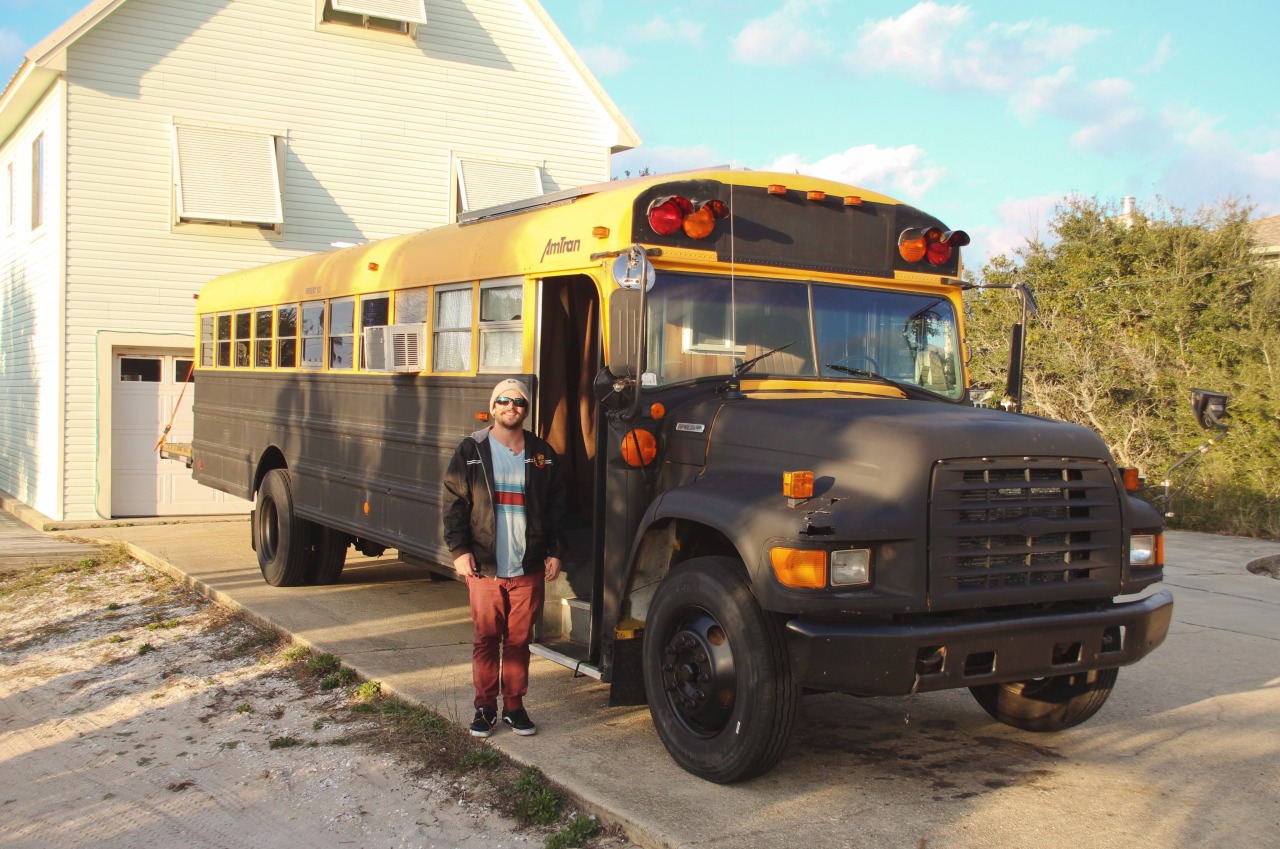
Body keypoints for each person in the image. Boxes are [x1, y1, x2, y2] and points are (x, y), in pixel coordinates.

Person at [442, 378, 567, 738]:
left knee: (518, 641)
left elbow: (557, 505)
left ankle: (514, 706)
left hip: (527, 565)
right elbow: (454, 501)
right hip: (485, 566)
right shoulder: (472, 449)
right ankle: (484, 708)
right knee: (486, 638)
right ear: (493, 406)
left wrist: (556, 551)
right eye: (504, 401)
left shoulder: (538, 453)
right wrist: (460, 549)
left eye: (519, 402)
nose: (512, 407)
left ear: (526, 411)